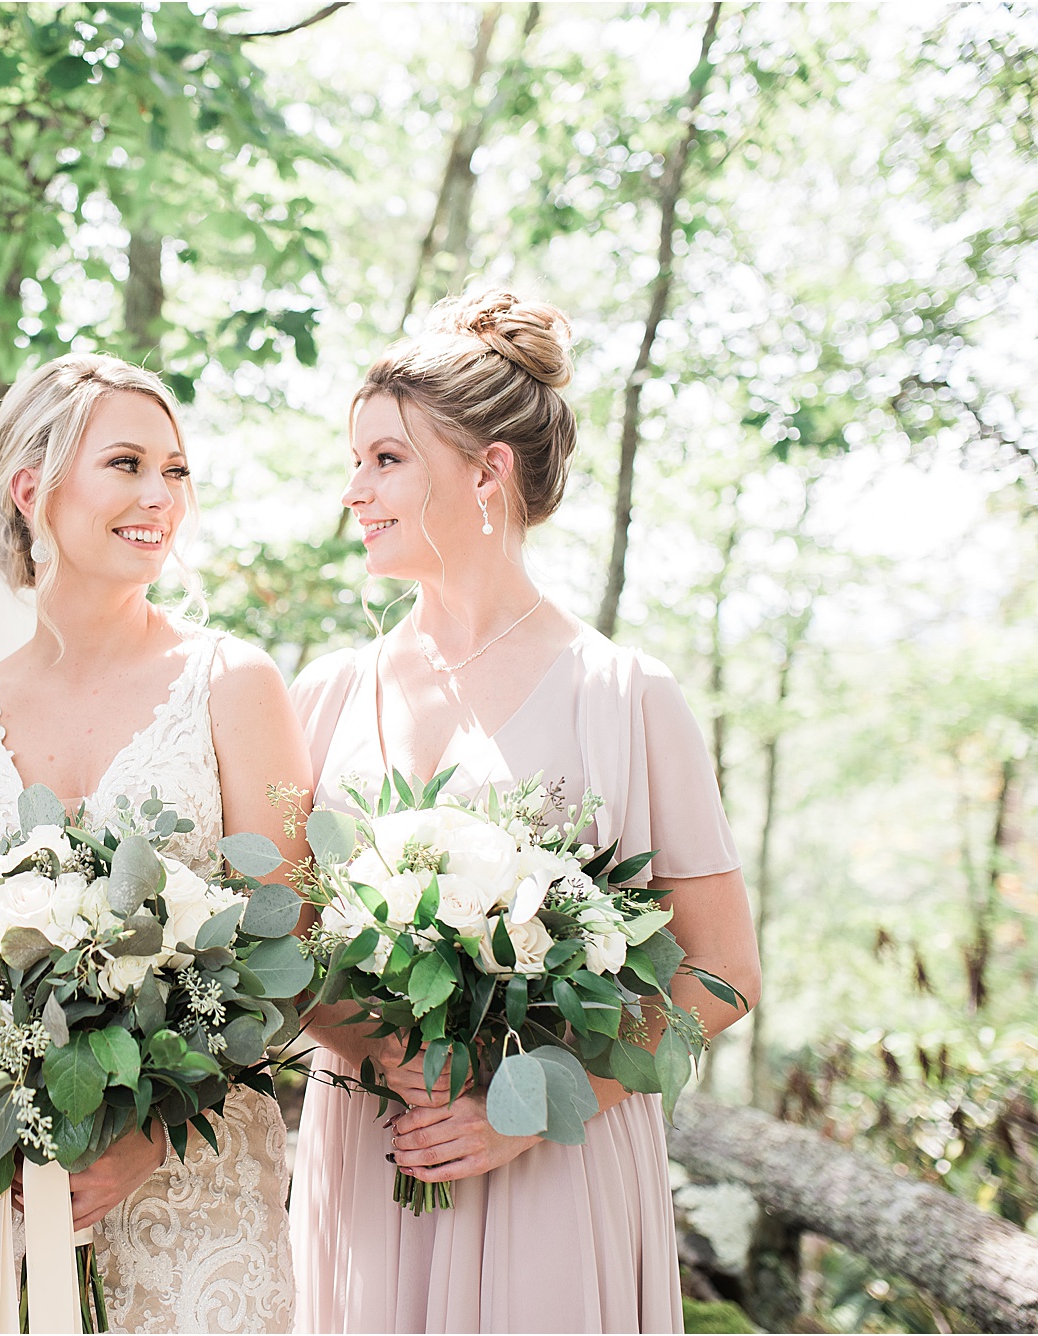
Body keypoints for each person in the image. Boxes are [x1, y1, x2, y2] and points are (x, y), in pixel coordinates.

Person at [288, 291, 763, 1333]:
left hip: (553, 1168)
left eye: (384, 460)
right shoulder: (323, 693)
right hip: (372, 1156)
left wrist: (532, 1104)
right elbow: (279, 945)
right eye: (354, 460)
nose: (352, 491)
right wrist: (372, 1047)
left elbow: (721, 968)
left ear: (485, 470)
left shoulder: (626, 697)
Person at [0, 354, 312, 1332]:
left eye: (174, 469)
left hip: (193, 1185)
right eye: (126, 464)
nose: (159, 496)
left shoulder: (233, 683)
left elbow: (291, 948)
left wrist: (148, 1136)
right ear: (28, 487)